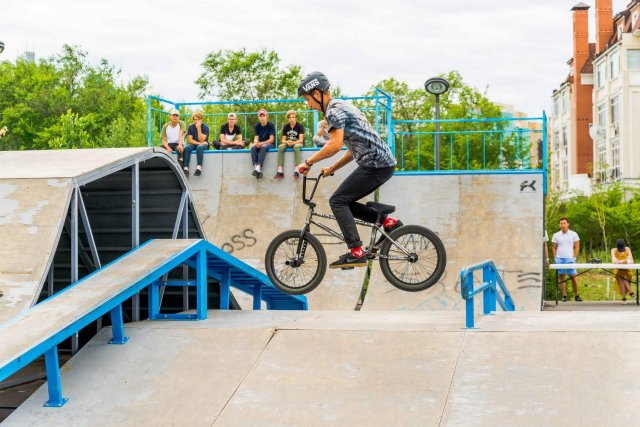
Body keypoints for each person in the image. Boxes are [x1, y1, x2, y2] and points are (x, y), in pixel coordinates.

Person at [296, 71, 401, 269]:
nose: (308, 104)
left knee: (337, 201)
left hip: (376, 164)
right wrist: (332, 168)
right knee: (344, 202)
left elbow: (334, 145)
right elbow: (351, 151)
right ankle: (387, 223)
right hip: (379, 163)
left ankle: (356, 251)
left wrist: (308, 162)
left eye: (308, 99)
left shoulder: (334, 112)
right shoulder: (341, 106)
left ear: (317, 94)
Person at [552, 217, 582, 302]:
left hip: (570, 258)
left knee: (573, 277)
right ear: (559, 225)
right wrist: (555, 258)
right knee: (562, 277)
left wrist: (574, 257)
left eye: (564, 223)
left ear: (568, 224)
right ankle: (564, 296)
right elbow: (553, 247)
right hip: (559, 258)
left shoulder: (574, 234)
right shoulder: (556, 235)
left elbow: (577, 246)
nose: (562, 225)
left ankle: (577, 295)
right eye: (561, 223)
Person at [275, 110, 304, 179]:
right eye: (290, 117)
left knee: (296, 147)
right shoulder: (286, 126)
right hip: (288, 142)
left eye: (293, 117)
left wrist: (293, 143)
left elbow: (301, 140)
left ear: (296, 118)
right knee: (281, 147)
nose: (291, 119)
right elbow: (283, 140)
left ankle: (296, 169)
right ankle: (280, 170)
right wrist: (287, 142)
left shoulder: (300, 126)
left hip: (297, 142)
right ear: (288, 118)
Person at [250, 109, 275, 179]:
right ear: (258, 117)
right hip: (260, 143)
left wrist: (261, 144)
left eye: (263, 115)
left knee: (263, 147)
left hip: (270, 144)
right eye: (260, 116)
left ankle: (257, 167)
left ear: (266, 116)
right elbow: (256, 138)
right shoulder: (257, 125)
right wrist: (256, 142)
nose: (262, 117)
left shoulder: (271, 125)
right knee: (252, 148)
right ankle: (257, 169)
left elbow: (271, 139)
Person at [183, 112, 210, 177]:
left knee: (199, 147)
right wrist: (199, 143)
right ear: (193, 120)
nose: (197, 121)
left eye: (198, 119)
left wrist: (198, 128)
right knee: (187, 148)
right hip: (195, 144)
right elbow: (190, 140)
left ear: (201, 119)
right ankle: (185, 168)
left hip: (204, 145)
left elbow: (201, 139)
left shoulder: (205, 127)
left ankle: (199, 167)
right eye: (195, 119)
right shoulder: (190, 127)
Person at [611, 238, 635, 304]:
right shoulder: (613, 250)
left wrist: (620, 261)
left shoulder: (627, 249)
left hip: (627, 270)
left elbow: (632, 261)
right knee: (622, 276)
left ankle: (623, 298)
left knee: (621, 277)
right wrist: (625, 261)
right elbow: (614, 261)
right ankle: (631, 292)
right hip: (617, 270)